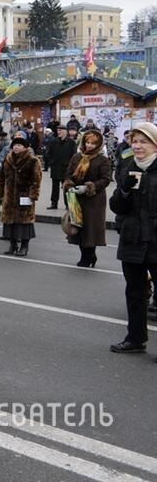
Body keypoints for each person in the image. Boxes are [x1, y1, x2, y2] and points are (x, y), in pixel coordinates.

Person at [107, 122, 157, 355]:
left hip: (155, 240)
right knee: (134, 292)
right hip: (133, 240)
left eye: (143, 141)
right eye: (134, 141)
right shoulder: (128, 167)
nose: (137, 146)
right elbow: (117, 206)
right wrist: (124, 190)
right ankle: (135, 338)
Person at [63, 129, 112, 268]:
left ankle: (88, 256)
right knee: (78, 228)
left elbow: (106, 179)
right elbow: (68, 173)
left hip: (94, 199)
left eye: (93, 143)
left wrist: (89, 187)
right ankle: (86, 255)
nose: (89, 145)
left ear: (99, 145)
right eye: (87, 142)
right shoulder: (76, 157)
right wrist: (69, 184)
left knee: (90, 229)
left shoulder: (103, 160)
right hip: (76, 198)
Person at [0, 133, 42, 257]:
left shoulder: (33, 160)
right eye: (15, 145)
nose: (16, 147)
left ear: (25, 147)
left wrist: (33, 195)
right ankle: (12, 245)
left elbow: (36, 179)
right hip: (10, 196)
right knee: (10, 222)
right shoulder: (8, 159)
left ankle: (24, 246)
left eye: (19, 145)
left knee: (24, 222)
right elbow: (2, 178)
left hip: (25, 195)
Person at [46, 126, 77, 209]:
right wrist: (51, 162)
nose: (59, 132)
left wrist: (71, 167)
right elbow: (48, 153)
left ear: (66, 131)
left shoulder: (71, 142)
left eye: (61, 130)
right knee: (55, 187)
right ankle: (54, 203)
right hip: (55, 167)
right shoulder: (53, 141)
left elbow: (74, 155)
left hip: (66, 168)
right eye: (58, 130)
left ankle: (68, 204)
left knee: (67, 187)